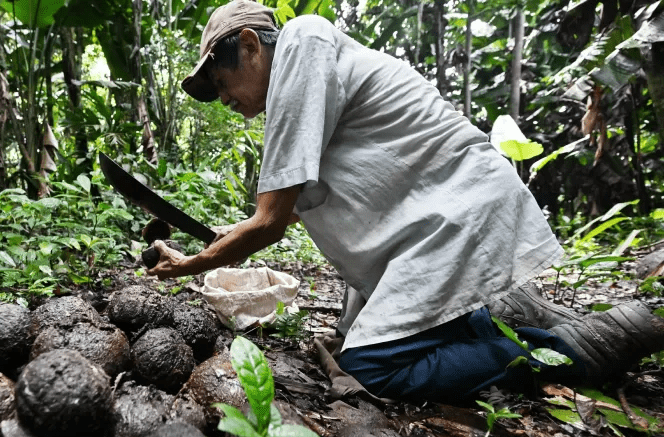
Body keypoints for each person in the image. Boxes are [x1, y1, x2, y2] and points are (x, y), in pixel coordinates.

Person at [146, 0, 664, 401]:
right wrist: (229, 238)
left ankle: (574, 350)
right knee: (384, 340)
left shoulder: (302, 42)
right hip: (439, 225)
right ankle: (508, 322)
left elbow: (270, 222)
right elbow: (302, 207)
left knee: (373, 365)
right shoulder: (306, 88)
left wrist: (200, 262)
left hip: (456, 214)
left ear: (250, 44)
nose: (228, 100)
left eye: (222, 81)